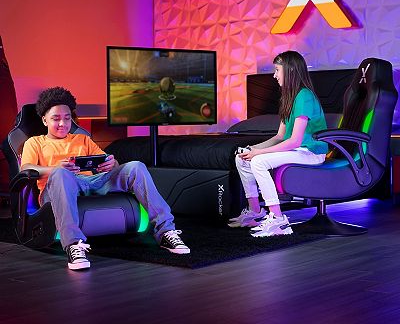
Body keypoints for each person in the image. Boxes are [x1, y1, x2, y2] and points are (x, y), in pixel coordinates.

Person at [21, 87, 190, 271]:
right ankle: (73, 245)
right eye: (56, 118)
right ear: (44, 120)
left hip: (91, 182)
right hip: (57, 188)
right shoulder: (35, 142)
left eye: (67, 118)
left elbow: (109, 162)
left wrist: (111, 163)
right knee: (62, 174)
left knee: (136, 166)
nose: (63, 123)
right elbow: (26, 168)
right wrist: (56, 169)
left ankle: (166, 231)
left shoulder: (82, 140)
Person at [229, 51, 328, 237]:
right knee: (242, 159)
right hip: (298, 150)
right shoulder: (288, 97)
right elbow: (280, 136)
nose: (274, 75)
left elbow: (295, 140)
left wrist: (259, 154)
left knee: (258, 162)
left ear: (290, 70)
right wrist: (254, 149)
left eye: (277, 70)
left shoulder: (304, 96)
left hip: (311, 152)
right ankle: (255, 212)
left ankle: (278, 219)